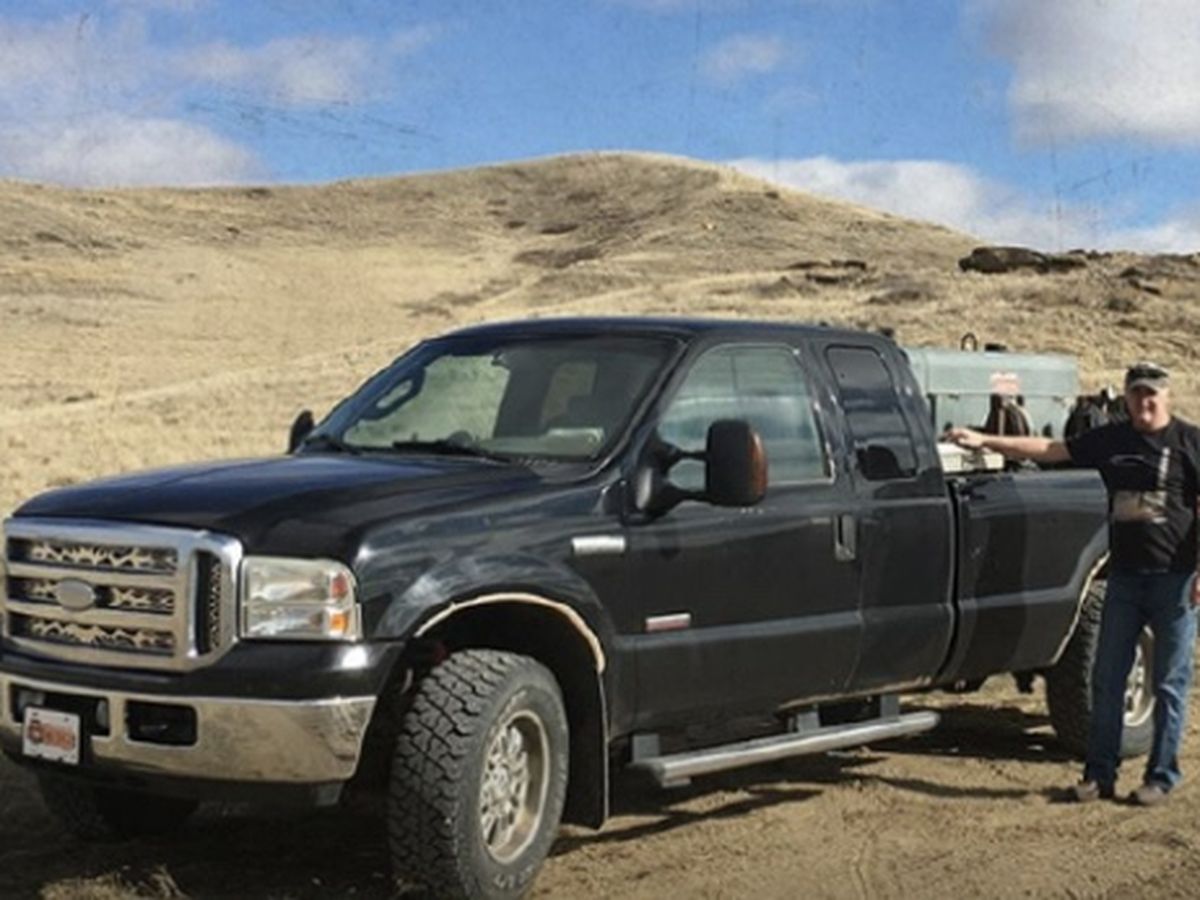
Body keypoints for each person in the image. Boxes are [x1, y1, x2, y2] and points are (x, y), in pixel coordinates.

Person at [946, 361, 1200, 805]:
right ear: (1127, 397)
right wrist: (985, 440)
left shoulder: (1190, 442)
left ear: (1166, 395)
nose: (1144, 401)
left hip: (1175, 582)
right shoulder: (1112, 439)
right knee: (1106, 680)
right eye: (1137, 393)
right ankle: (1098, 775)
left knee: (1169, 684)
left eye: (1151, 394)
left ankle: (1160, 777)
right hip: (1124, 580)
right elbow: (1050, 449)